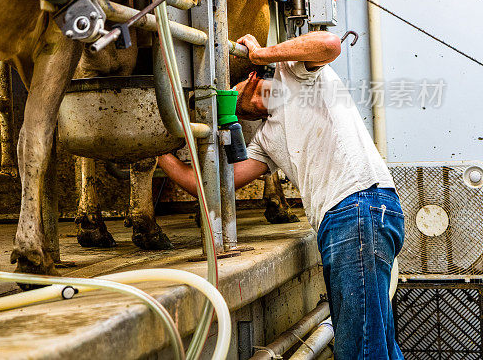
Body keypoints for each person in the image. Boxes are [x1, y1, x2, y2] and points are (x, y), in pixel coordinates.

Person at [158, 31, 404, 360]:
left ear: (250, 77)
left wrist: (261, 53)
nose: (232, 110)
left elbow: (330, 44)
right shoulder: (266, 137)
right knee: (375, 342)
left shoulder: (297, 72)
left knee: (360, 349)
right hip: (342, 223)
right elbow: (210, 186)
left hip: (359, 210)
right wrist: (161, 153)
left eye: (230, 95)